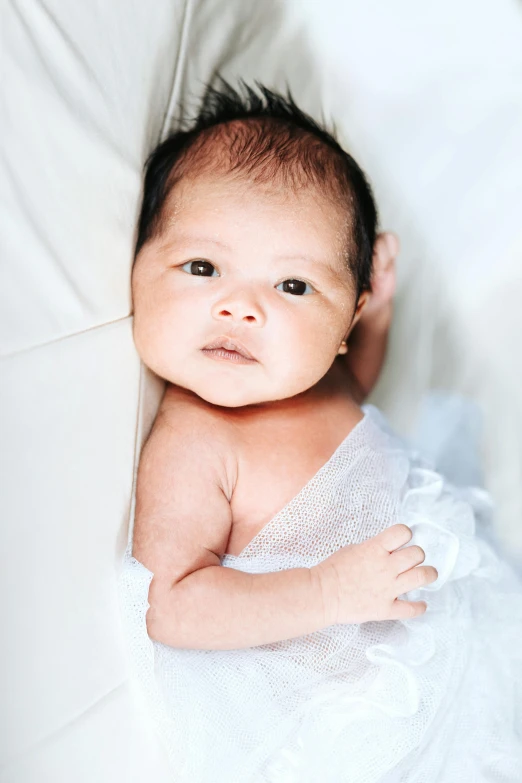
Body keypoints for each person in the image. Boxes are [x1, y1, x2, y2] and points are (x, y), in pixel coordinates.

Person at [120, 82, 522, 782]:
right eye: (203, 267)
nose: (240, 307)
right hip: (344, 721)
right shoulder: (196, 438)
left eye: (294, 287)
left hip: (448, 632)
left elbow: (355, 392)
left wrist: (383, 315)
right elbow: (175, 604)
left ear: (346, 320)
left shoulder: (316, 373)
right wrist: (327, 592)